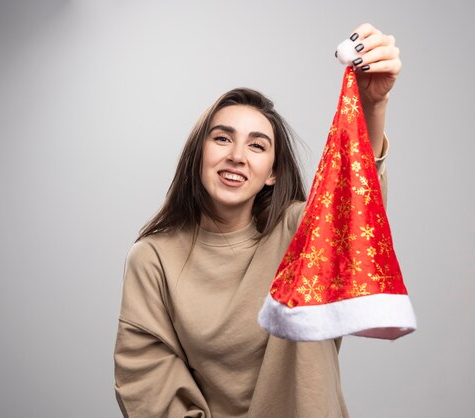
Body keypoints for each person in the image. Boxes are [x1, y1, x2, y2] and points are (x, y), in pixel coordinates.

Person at [114, 22, 401, 418]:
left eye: (257, 145)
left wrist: (372, 105)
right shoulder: (153, 259)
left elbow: (355, 212)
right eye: (221, 138)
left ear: (272, 172)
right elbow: (147, 386)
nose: (237, 155)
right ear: (199, 155)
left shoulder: (301, 234)